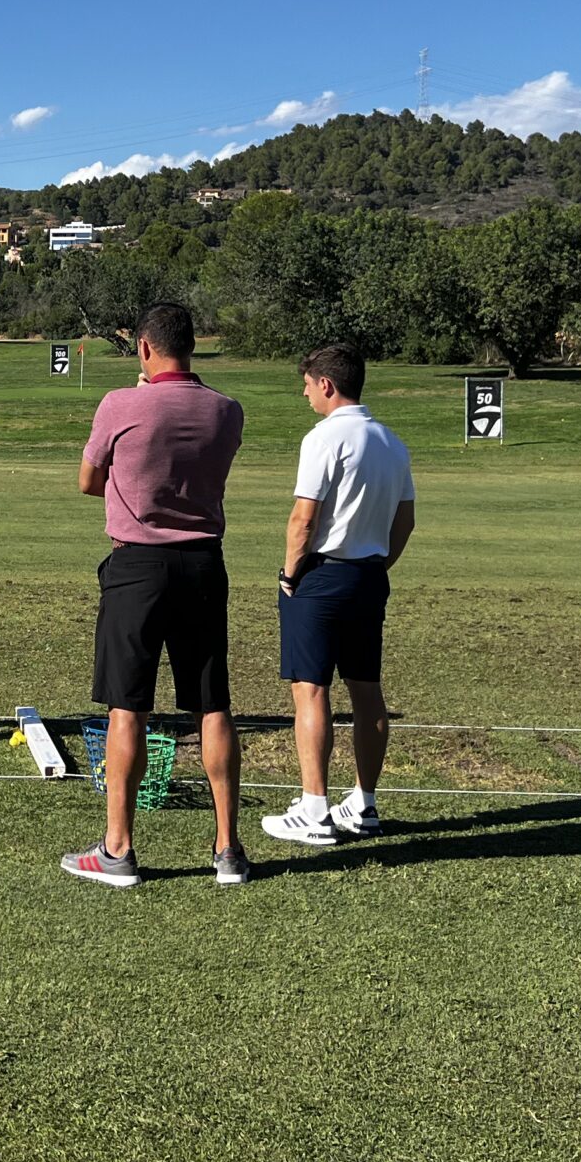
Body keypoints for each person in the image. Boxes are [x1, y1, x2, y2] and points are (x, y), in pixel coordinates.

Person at [61, 302, 251, 888]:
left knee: (128, 704)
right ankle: (228, 850)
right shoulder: (226, 409)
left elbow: (89, 481)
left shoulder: (121, 404)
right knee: (210, 702)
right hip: (203, 563)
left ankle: (118, 849)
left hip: (137, 564)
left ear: (145, 348)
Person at [260, 345, 415, 846]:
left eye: (307, 384)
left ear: (327, 384)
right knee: (366, 688)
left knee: (311, 687)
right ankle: (363, 804)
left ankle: (315, 809)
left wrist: (289, 575)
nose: (304, 393)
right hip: (369, 576)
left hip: (322, 578)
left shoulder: (323, 438)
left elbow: (303, 518)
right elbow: (405, 521)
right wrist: (376, 565)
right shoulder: (392, 442)